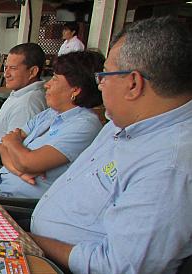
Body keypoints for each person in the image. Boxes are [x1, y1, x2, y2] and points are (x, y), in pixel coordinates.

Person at [30, 16, 192, 273]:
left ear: (133, 83)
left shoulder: (171, 165)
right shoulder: (120, 125)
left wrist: (31, 241)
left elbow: (117, 266)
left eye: (103, 75)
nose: (100, 85)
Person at [0, 51, 104, 199]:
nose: (47, 84)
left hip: (14, 204)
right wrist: (19, 169)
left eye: (55, 79)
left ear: (76, 90)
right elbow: (4, 147)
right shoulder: (50, 114)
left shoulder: (84, 126)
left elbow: (27, 162)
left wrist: (13, 143)